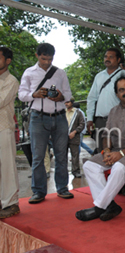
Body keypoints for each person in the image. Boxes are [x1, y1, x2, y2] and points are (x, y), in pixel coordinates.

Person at [76, 76, 125, 222]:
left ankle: (99, 207)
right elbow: (107, 134)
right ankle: (110, 205)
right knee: (90, 165)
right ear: (117, 94)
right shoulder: (113, 111)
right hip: (116, 150)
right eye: (122, 90)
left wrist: (121, 153)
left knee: (118, 167)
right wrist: (107, 150)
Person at [18, 43, 74, 203]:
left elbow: (69, 94)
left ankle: (62, 189)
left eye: (50, 59)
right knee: (38, 156)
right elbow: (21, 94)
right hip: (37, 117)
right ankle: (38, 192)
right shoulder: (29, 72)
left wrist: (61, 97)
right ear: (37, 56)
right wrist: (34, 94)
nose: (47, 62)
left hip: (59, 116)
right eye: (44, 59)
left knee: (61, 155)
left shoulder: (60, 73)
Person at [86, 48, 125, 153]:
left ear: (118, 60)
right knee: (102, 151)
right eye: (105, 57)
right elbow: (91, 98)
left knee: (118, 150)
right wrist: (90, 119)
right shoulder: (99, 76)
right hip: (100, 121)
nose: (107, 59)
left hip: (120, 120)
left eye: (111, 57)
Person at [0, 47, 21, 218]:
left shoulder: (12, 80)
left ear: (8, 61)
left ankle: (11, 203)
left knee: (7, 166)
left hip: (4, 127)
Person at [64, 97, 85, 178]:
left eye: (68, 102)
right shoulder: (62, 112)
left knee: (75, 155)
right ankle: (63, 171)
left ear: (72, 103)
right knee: (63, 155)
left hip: (74, 137)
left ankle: (76, 171)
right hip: (63, 137)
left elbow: (82, 124)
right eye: (65, 102)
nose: (66, 104)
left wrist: (75, 131)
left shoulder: (78, 113)